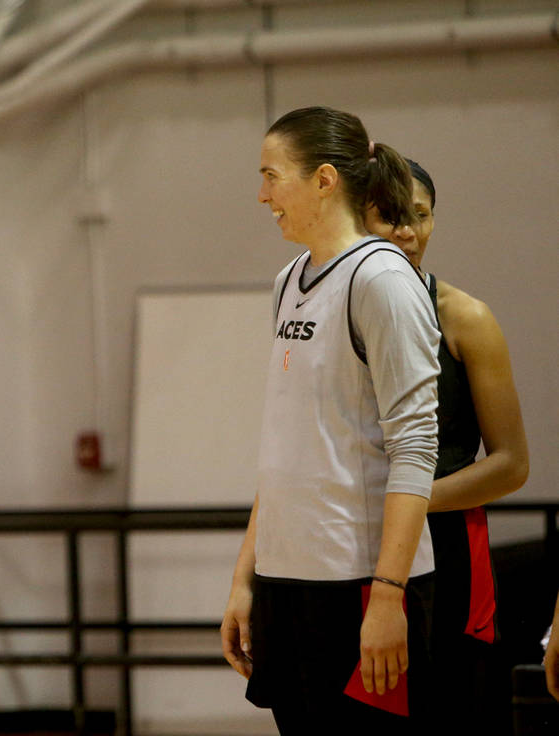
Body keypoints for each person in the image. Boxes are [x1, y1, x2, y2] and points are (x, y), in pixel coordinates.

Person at [221, 106, 441, 735]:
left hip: (361, 587)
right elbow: (288, 446)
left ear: (324, 179)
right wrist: (246, 580)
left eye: (271, 176)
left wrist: (390, 595)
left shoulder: (382, 280)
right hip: (286, 583)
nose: (262, 195)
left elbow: (415, 446)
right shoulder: (289, 279)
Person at [363, 159, 529, 731]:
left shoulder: (466, 318)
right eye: (389, 216)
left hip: (447, 542)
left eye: (421, 215)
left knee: (450, 709)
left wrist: (408, 502)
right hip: (353, 541)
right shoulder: (332, 314)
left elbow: (511, 465)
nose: (407, 231)